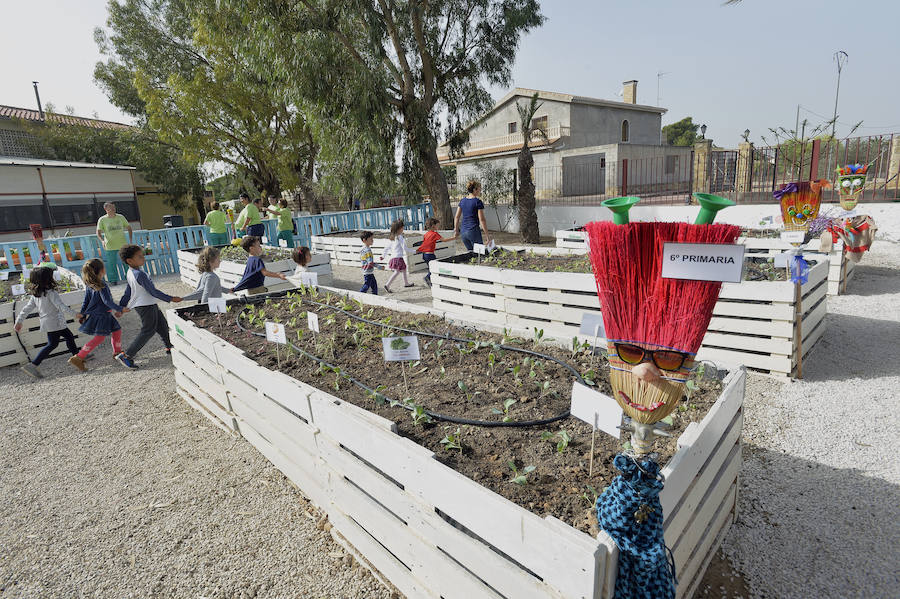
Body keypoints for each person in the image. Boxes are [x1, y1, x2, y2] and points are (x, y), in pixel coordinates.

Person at [116, 245, 182, 369]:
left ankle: (170, 346)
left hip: (147, 304)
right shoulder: (139, 274)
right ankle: (127, 355)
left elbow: (128, 291)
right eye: (140, 256)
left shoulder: (132, 272)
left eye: (143, 255)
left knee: (162, 325)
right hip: (145, 305)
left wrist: (121, 306)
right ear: (129, 261)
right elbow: (153, 291)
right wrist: (170, 298)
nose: (143, 258)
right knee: (148, 330)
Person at [14, 267, 81, 378]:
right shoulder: (51, 293)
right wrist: (75, 314)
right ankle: (33, 364)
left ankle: (78, 357)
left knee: (68, 337)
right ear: (47, 279)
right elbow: (61, 306)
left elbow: (26, 309)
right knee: (53, 344)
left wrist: (19, 321)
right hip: (55, 323)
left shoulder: (36, 295)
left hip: (49, 323)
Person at [68, 259, 127, 372]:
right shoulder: (101, 284)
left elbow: (86, 301)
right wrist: (120, 308)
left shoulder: (90, 284)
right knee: (99, 337)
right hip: (102, 315)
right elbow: (107, 301)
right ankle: (78, 357)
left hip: (103, 314)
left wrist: (83, 314)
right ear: (101, 270)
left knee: (117, 331)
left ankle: (117, 352)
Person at [96, 202, 133, 285]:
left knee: (127, 262)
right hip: (110, 245)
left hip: (123, 244)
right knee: (111, 264)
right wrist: (102, 241)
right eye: (111, 208)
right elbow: (98, 232)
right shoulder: (102, 219)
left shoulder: (121, 217)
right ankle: (113, 281)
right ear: (106, 209)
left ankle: (130, 278)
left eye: (114, 207)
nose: (113, 209)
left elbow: (129, 228)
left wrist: (130, 240)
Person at [416, 217, 457, 287]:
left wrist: (419, 250)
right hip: (430, 255)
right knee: (433, 268)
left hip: (425, 255)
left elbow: (425, 244)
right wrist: (454, 237)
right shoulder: (435, 234)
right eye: (437, 225)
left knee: (430, 268)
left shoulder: (426, 234)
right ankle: (427, 278)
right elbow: (444, 240)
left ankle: (430, 280)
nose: (438, 227)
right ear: (433, 226)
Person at [454, 180, 491, 251]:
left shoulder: (462, 201)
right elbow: (482, 220)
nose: (480, 191)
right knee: (479, 254)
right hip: (473, 231)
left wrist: (456, 230)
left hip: (463, 232)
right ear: (475, 189)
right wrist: (487, 236)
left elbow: (457, 217)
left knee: (471, 255)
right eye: (479, 189)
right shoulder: (478, 202)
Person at [381, 219, 415, 293]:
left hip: (394, 258)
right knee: (397, 272)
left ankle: (406, 283)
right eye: (402, 228)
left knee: (404, 269)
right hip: (398, 258)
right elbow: (405, 248)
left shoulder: (392, 237)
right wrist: (415, 251)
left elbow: (386, 248)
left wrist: (383, 256)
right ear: (399, 229)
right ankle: (387, 285)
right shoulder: (400, 237)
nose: (403, 229)